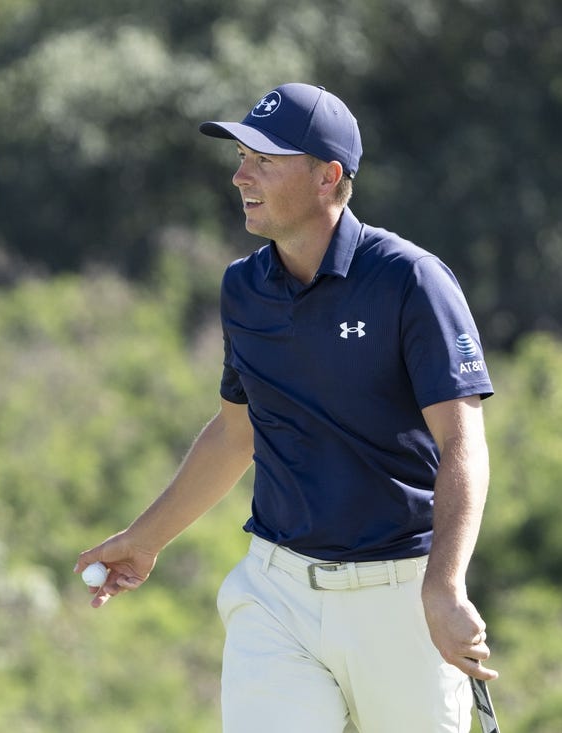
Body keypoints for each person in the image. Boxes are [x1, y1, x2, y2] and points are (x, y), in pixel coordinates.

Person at [75, 82, 497, 733]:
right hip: (276, 594)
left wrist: (444, 586)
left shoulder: (410, 281)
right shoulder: (243, 288)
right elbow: (233, 432)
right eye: (242, 157)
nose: (242, 175)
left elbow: (462, 445)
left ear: (328, 176)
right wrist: (145, 538)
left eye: (265, 161)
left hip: (399, 596)